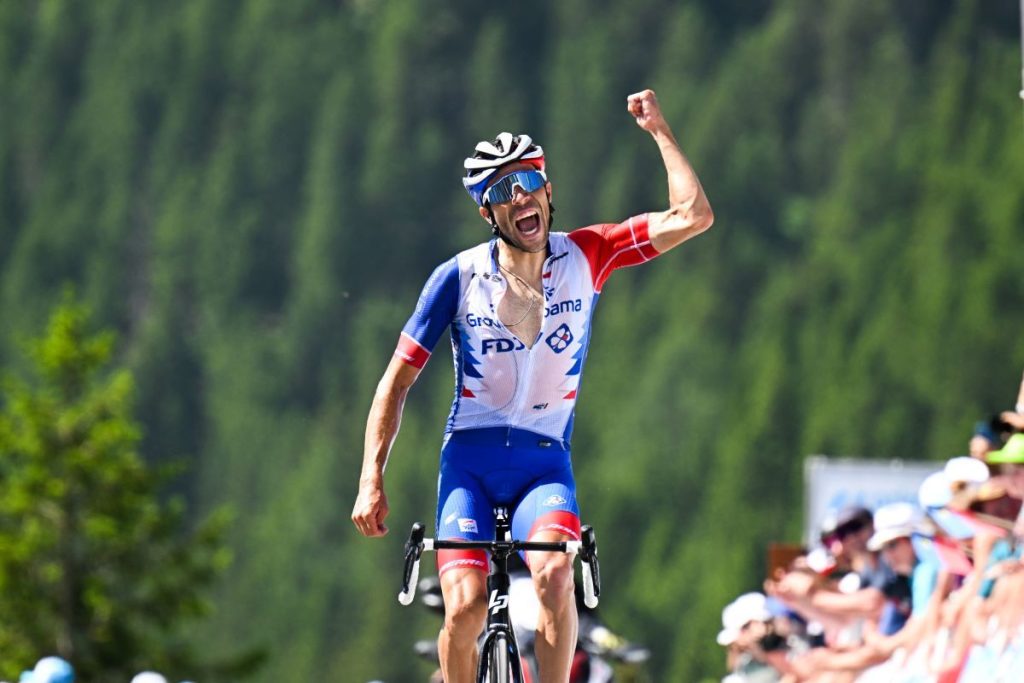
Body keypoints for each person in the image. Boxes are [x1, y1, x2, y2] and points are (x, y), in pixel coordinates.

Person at [351, 88, 714, 682]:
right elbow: (395, 384)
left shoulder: (589, 254)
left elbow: (692, 217)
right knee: (465, 609)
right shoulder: (458, 278)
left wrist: (659, 131)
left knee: (554, 576)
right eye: (501, 190)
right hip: (469, 464)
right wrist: (372, 479)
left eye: (528, 181)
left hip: (544, 463)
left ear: (547, 190)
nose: (519, 196)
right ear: (487, 213)